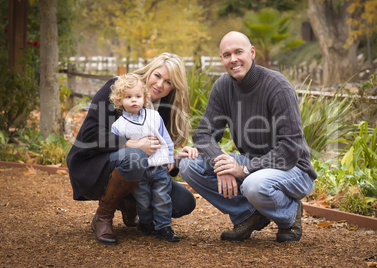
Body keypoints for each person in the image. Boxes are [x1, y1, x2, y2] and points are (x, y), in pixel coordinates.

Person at [180, 31, 317, 243]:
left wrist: (242, 169)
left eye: (238, 52)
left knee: (254, 184)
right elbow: (204, 135)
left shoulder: (277, 86)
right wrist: (221, 164)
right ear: (222, 60)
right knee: (190, 165)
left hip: (293, 168)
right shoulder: (223, 87)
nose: (233, 59)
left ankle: (289, 214)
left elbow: (290, 148)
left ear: (252, 53)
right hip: (255, 164)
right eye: (227, 55)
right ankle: (249, 215)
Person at [67, 53, 198, 245]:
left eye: (168, 82)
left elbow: (158, 154)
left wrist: (175, 157)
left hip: (142, 173)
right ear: (149, 71)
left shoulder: (164, 108)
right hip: (95, 166)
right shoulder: (118, 89)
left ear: (173, 87)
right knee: (135, 156)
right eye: (158, 75)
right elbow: (88, 136)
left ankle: (128, 202)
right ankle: (103, 217)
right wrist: (128, 144)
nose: (160, 84)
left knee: (184, 202)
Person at [109, 73, 179, 242]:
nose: (134, 100)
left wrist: (170, 157)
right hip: (139, 171)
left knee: (162, 197)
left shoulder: (154, 117)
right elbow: (115, 147)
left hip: (159, 167)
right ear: (119, 101)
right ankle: (146, 223)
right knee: (143, 200)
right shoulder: (118, 125)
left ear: (144, 98)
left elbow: (166, 138)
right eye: (128, 97)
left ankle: (164, 227)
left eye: (138, 96)